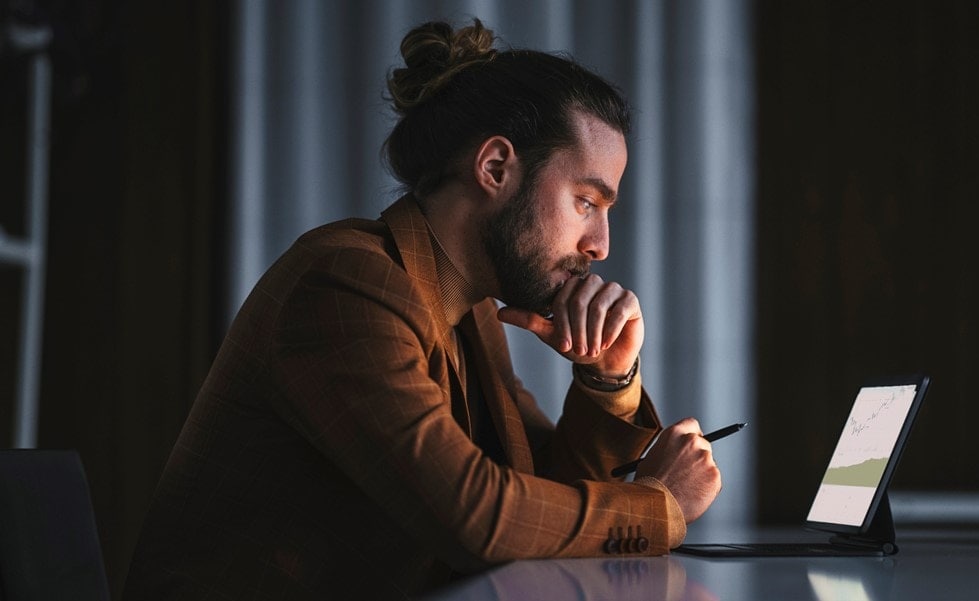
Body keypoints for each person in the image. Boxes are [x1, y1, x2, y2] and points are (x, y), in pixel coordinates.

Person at [122, 18, 722, 600]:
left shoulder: (471, 313)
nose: (601, 246)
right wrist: (656, 503)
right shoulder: (344, 282)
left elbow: (541, 498)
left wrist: (606, 378)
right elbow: (478, 518)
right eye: (586, 201)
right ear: (494, 168)